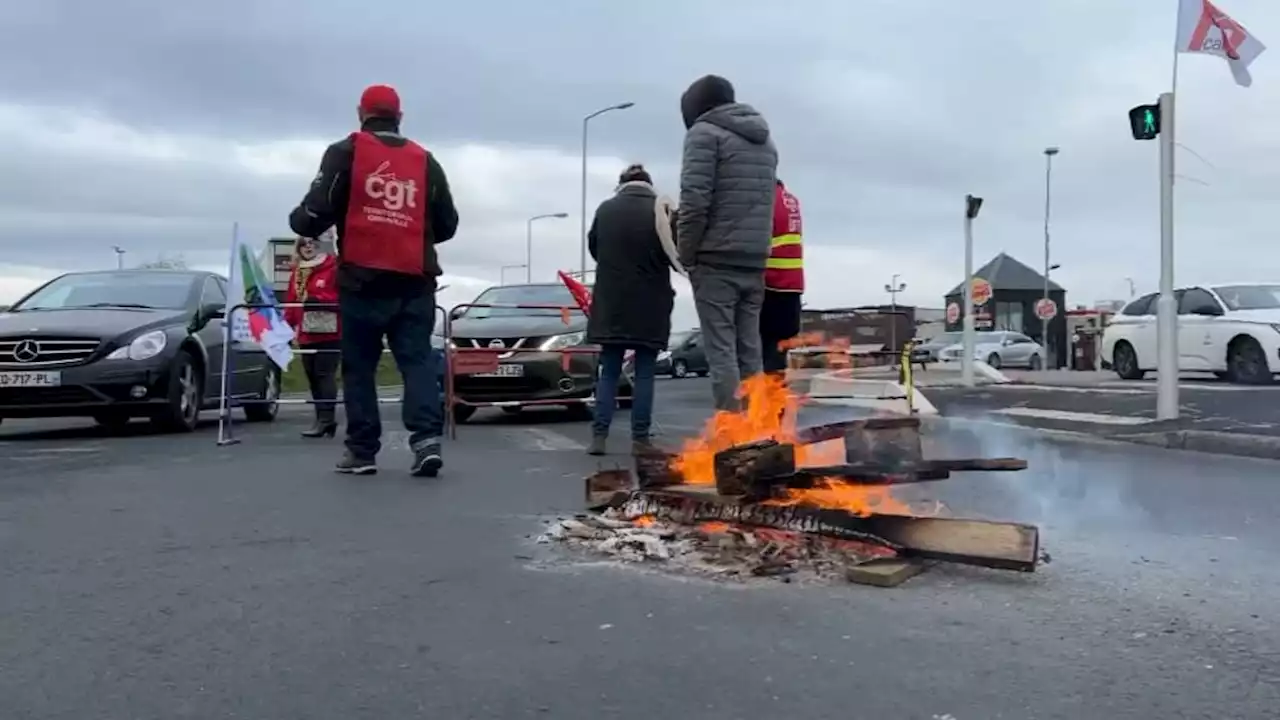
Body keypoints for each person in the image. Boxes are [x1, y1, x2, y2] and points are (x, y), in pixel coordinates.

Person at [288, 84, 459, 476]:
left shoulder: (345, 152)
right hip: (414, 280)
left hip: (362, 279)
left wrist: (301, 222)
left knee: (360, 366)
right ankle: (426, 442)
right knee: (415, 361)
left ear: (361, 114)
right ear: (399, 117)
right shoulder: (426, 161)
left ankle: (362, 451)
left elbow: (317, 210)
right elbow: (447, 223)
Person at [676, 74, 779, 411]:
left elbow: (694, 201)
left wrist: (685, 253)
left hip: (715, 259)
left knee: (721, 352)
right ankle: (758, 430)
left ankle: (732, 436)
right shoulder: (765, 141)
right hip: (755, 258)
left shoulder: (703, 134)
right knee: (750, 348)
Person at [585, 164, 682, 456]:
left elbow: (594, 249)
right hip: (650, 304)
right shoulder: (660, 212)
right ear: (649, 185)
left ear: (621, 184)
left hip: (612, 304)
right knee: (644, 374)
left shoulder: (605, 210)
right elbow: (675, 250)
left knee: (609, 372)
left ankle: (599, 437)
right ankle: (640, 439)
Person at [283, 233, 341, 438]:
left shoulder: (334, 268)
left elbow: (341, 298)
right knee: (312, 376)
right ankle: (321, 418)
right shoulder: (297, 273)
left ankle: (327, 419)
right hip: (306, 332)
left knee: (325, 374)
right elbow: (292, 302)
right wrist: (285, 328)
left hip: (330, 331)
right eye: (303, 244)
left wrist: (320, 299)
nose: (308, 247)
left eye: (312, 243)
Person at [760, 178, 804, 374]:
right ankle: (777, 403)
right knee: (778, 356)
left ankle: (764, 403)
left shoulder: (764, 200)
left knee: (763, 355)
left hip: (770, 284)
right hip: (792, 286)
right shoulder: (790, 200)